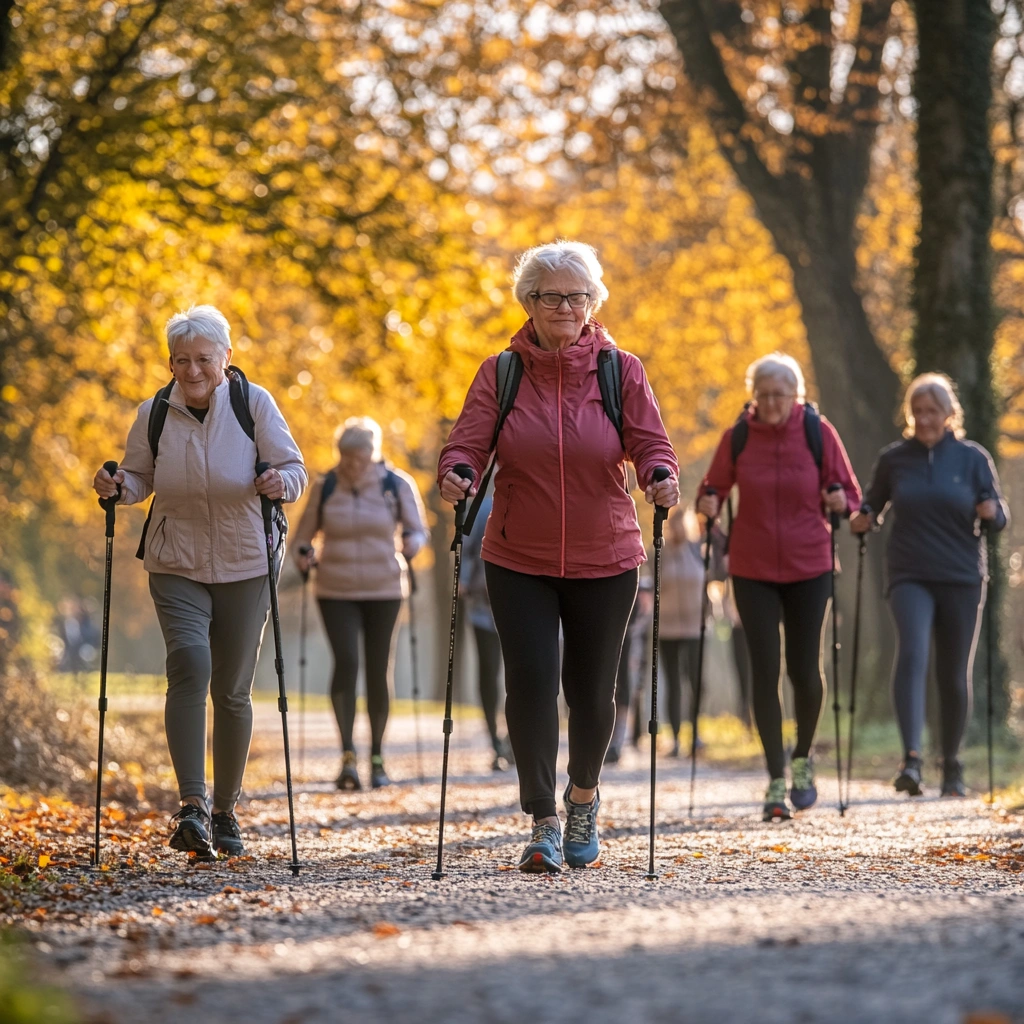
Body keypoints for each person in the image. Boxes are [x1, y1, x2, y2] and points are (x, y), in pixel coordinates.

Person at [438, 240, 679, 873]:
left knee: (594, 692)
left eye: (578, 296)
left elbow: (651, 441)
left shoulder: (620, 370)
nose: (566, 307)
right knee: (531, 682)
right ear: (529, 302)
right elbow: (467, 443)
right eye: (552, 296)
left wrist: (659, 474)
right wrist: (457, 472)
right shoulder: (502, 373)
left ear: (593, 301)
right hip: (519, 556)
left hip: (607, 555)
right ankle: (543, 818)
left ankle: (583, 798)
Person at [92, 304, 307, 858]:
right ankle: (192, 805)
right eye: (181, 360)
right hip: (176, 560)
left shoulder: (253, 404)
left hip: (247, 561)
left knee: (231, 690)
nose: (192, 370)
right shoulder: (154, 412)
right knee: (189, 664)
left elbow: (295, 470)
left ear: (225, 358)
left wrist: (280, 482)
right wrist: (117, 485)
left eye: (203, 359)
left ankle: (226, 810)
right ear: (170, 362)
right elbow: (139, 475)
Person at [697, 353, 860, 822]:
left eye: (779, 395)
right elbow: (711, 490)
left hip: (811, 566)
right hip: (752, 569)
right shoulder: (738, 436)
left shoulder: (818, 432)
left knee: (804, 670)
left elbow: (851, 495)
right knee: (764, 669)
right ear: (753, 396)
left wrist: (840, 501)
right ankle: (774, 778)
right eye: (762, 395)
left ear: (796, 396)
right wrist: (708, 503)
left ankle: (802, 758)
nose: (769, 403)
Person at [852, 373, 1008, 797]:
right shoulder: (894, 458)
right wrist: (863, 518)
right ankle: (912, 760)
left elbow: (998, 516)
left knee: (953, 671)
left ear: (948, 413)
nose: (924, 419)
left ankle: (952, 763)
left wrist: (992, 513)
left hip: (961, 575)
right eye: (917, 411)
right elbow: (872, 504)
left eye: (932, 411)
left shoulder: (973, 458)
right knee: (913, 653)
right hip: (909, 573)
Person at [293, 417, 427, 791]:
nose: (353, 464)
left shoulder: (396, 484)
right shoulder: (326, 485)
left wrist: (414, 543)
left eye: (361, 457)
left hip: (385, 589)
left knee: (378, 668)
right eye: (347, 457)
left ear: (373, 454)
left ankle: (378, 757)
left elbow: (419, 530)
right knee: (347, 662)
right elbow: (302, 536)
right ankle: (348, 755)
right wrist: (303, 553)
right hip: (334, 589)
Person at [459, 494, 514, 771]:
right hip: (483, 608)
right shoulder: (482, 509)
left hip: (523, 608)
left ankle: (514, 740)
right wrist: (462, 580)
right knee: (489, 673)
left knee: (523, 674)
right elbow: (466, 548)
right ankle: (495, 740)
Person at [658, 506, 717, 757]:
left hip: (696, 627)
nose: (679, 529)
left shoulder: (698, 550)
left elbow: (710, 582)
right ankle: (675, 738)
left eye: (683, 524)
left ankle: (695, 734)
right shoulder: (660, 552)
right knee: (673, 683)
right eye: (675, 524)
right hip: (667, 628)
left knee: (697, 682)